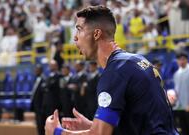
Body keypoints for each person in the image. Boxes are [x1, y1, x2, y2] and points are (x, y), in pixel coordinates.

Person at [45, 5, 178, 135]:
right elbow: (140, 124)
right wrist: (94, 125)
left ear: (96, 34)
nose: (75, 38)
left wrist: (57, 132)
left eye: (79, 29)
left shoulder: (115, 72)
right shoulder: (135, 60)